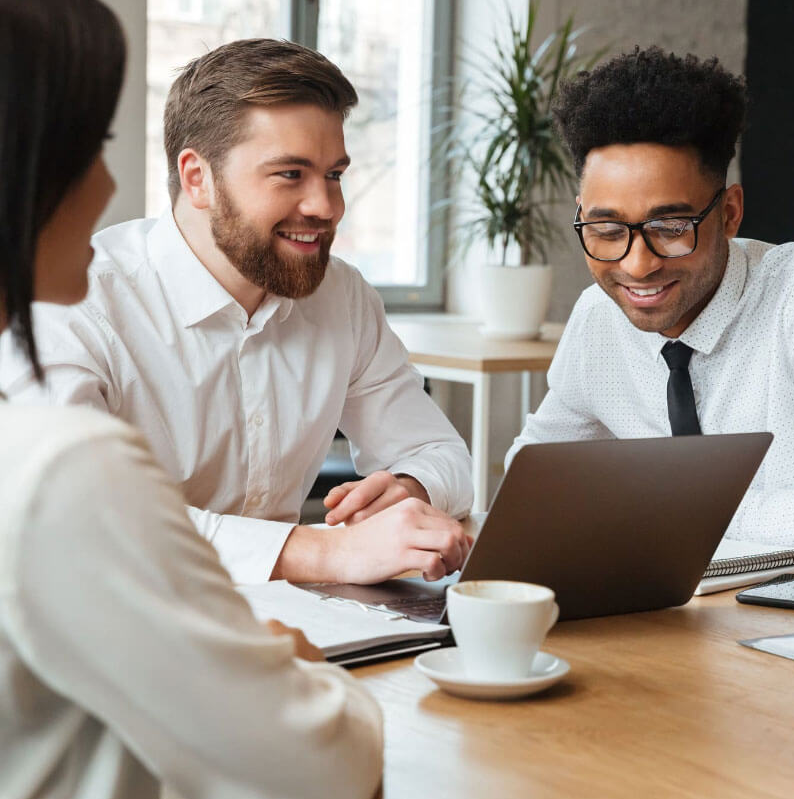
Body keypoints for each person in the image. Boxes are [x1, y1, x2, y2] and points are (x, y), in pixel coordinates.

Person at [0, 0, 384, 799]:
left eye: (334, 175)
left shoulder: (344, 298)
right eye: (89, 146)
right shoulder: (54, 458)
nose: (107, 186)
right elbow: (326, 766)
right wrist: (293, 672)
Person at [0, 36, 473, 585]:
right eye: (290, 174)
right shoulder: (74, 299)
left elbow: (439, 452)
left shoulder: (342, 296)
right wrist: (322, 552)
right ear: (197, 177)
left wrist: (410, 488)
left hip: (295, 623)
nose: (326, 207)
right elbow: (79, 519)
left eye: (335, 174)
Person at [506, 47, 794, 570]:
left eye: (671, 228)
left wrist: (661, 505)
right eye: (608, 231)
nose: (636, 265)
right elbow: (529, 479)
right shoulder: (599, 316)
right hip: (675, 619)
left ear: (728, 213)